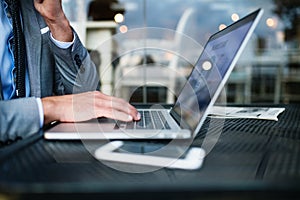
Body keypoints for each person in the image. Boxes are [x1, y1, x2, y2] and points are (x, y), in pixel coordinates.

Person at [0, 0, 140, 143]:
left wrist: (57, 21)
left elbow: (87, 95)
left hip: (37, 151)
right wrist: (50, 108)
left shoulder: (33, 9)